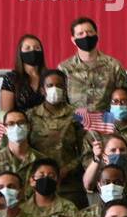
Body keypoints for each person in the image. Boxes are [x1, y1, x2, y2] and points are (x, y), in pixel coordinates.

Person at [27, 69, 87, 206]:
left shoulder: (77, 115)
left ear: (65, 89)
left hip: (69, 185)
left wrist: (67, 169)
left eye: (59, 85)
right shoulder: (31, 116)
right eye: (50, 85)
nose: (55, 89)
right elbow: (25, 149)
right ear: (42, 90)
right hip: (38, 185)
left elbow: (86, 150)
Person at [58, 17, 127, 112]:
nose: (86, 36)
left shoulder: (113, 65)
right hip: (74, 124)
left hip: (107, 123)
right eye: (80, 34)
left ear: (97, 35)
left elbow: (125, 98)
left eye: (89, 32)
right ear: (73, 40)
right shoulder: (64, 68)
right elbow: (60, 103)